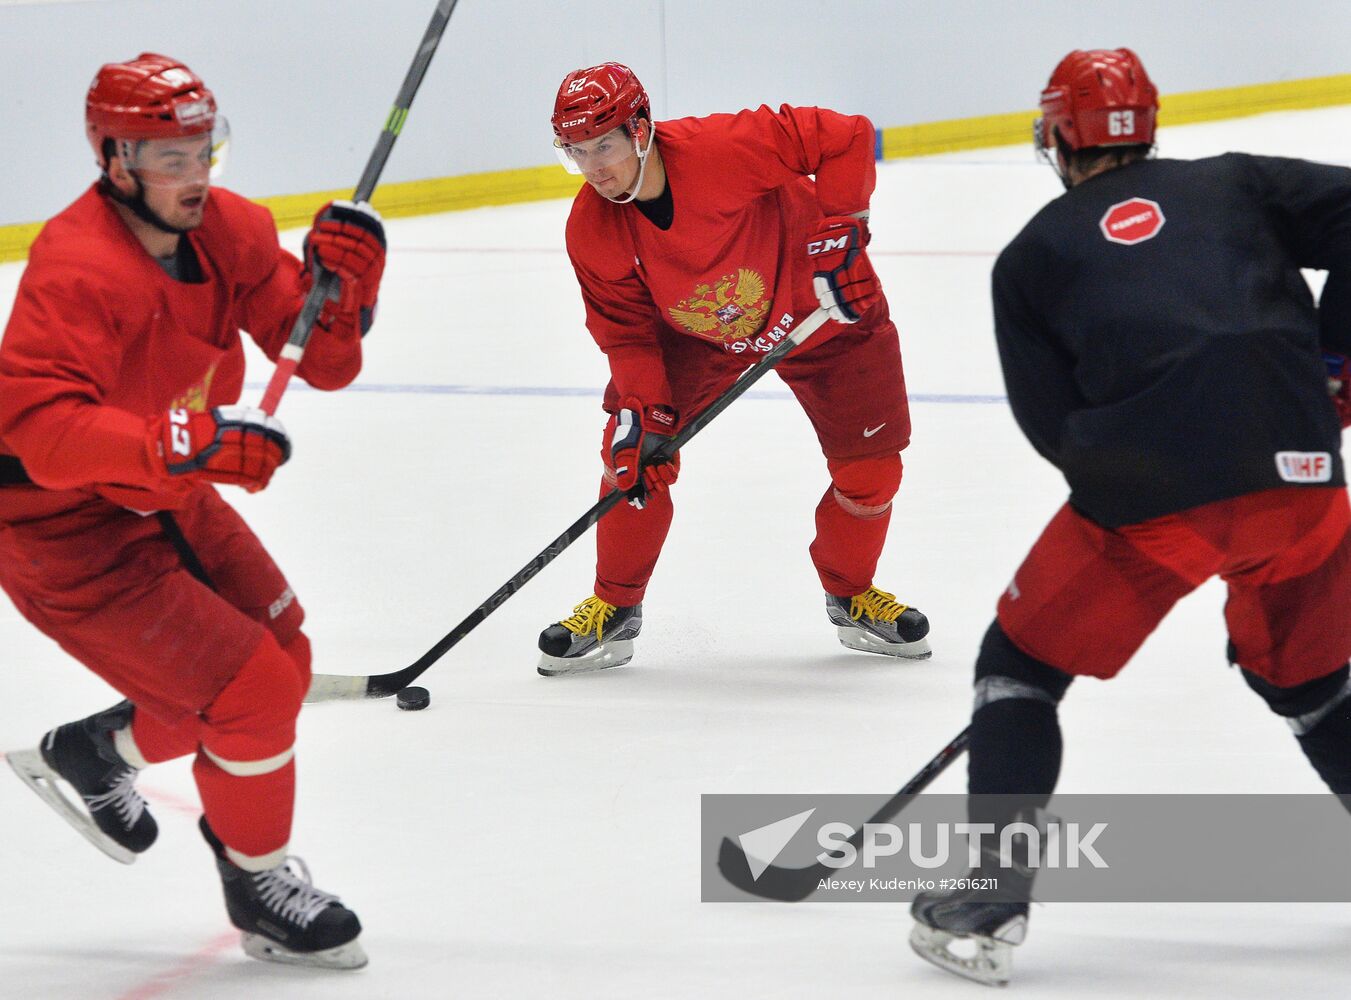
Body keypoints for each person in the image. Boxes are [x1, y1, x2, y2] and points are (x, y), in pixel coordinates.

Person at [908, 48, 1351, 987]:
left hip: (1148, 495)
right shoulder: (1241, 183)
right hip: (1305, 478)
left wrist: (1140, 476)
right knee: (1309, 680)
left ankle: (990, 897)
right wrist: (1331, 366)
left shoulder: (1032, 254)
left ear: (1058, 136)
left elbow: (1050, 425)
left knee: (1020, 667)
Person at [0, 53, 387, 970]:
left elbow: (324, 362)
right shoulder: (76, 268)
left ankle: (96, 753)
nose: (195, 175)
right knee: (251, 694)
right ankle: (259, 884)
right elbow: (38, 430)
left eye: (202, 150)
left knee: (284, 661)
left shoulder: (230, 229)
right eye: (169, 158)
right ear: (115, 160)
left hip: (165, 487)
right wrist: (185, 442)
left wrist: (348, 292)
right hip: (59, 527)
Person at [537, 61, 930, 676]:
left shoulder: (722, 149)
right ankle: (614, 605)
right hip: (701, 337)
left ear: (640, 129)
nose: (594, 169)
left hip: (820, 304)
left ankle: (852, 594)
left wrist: (843, 229)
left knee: (872, 471)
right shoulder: (592, 229)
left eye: (605, 146)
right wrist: (645, 409)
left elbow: (846, 134)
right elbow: (626, 332)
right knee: (635, 455)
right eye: (577, 153)